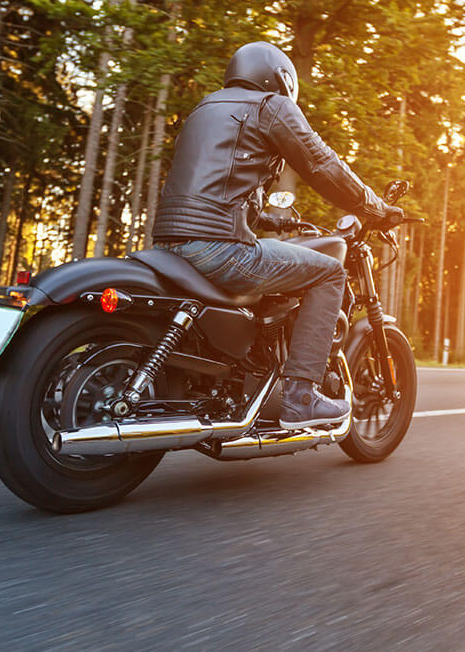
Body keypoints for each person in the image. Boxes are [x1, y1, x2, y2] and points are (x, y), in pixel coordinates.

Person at [152, 41, 398, 430]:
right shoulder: (271, 106)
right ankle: (301, 397)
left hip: (170, 243)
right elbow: (321, 165)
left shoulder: (205, 108)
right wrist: (374, 207)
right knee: (329, 273)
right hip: (219, 248)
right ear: (281, 79)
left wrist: (271, 218)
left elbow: (217, 186)